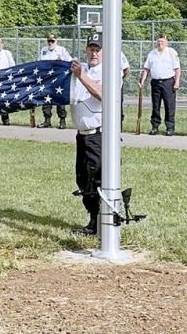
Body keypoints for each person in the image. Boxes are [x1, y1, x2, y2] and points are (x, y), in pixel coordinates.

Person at [69, 32, 104, 235]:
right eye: (91, 48)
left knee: (98, 178)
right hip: (82, 134)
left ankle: (102, 221)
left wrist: (81, 75)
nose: (94, 53)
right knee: (83, 179)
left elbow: (102, 94)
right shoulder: (79, 69)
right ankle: (93, 219)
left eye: (97, 49)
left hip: (98, 135)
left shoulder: (108, 71)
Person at [138, 34, 181, 136]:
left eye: (162, 41)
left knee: (169, 106)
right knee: (155, 106)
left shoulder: (171, 52)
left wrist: (177, 81)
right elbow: (146, 69)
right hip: (156, 82)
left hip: (168, 82)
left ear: (166, 42)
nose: (160, 43)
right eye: (158, 41)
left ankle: (170, 127)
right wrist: (142, 81)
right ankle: (155, 126)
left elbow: (177, 69)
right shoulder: (152, 53)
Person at [38, 33, 71, 129]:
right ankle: (47, 120)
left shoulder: (61, 50)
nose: (50, 43)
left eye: (52, 41)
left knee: (59, 100)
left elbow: (69, 61)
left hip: (59, 79)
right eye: (49, 41)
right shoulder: (44, 50)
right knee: (46, 100)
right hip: (47, 79)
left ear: (56, 41)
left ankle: (62, 120)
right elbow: (40, 63)